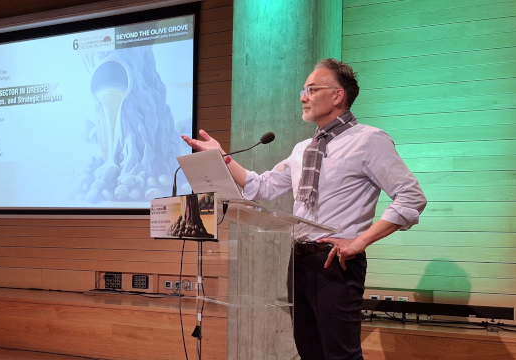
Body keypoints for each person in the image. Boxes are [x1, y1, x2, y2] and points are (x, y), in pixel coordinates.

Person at [181, 59, 427, 360]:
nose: (302, 96)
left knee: (340, 355)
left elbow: (411, 197)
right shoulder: (303, 149)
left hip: (337, 261)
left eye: (311, 89)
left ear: (337, 96)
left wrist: (360, 241)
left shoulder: (368, 140)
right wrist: (223, 158)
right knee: (308, 351)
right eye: (303, 89)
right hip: (298, 261)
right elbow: (263, 187)